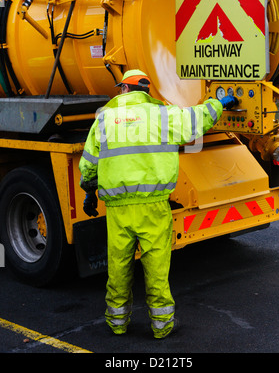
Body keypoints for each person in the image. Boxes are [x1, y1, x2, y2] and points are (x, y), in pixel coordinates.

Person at [79, 69, 237, 339]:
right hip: (154, 206)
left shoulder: (105, 118)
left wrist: (89, 191)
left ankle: (117, 322)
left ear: (125, 89)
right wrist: (219, 103)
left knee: (118, 264)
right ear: (146, 91)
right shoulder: (164, 116)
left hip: (118, 208)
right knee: (156, 266)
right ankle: (161, 326)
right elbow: (198, 118)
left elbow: (90, 164)